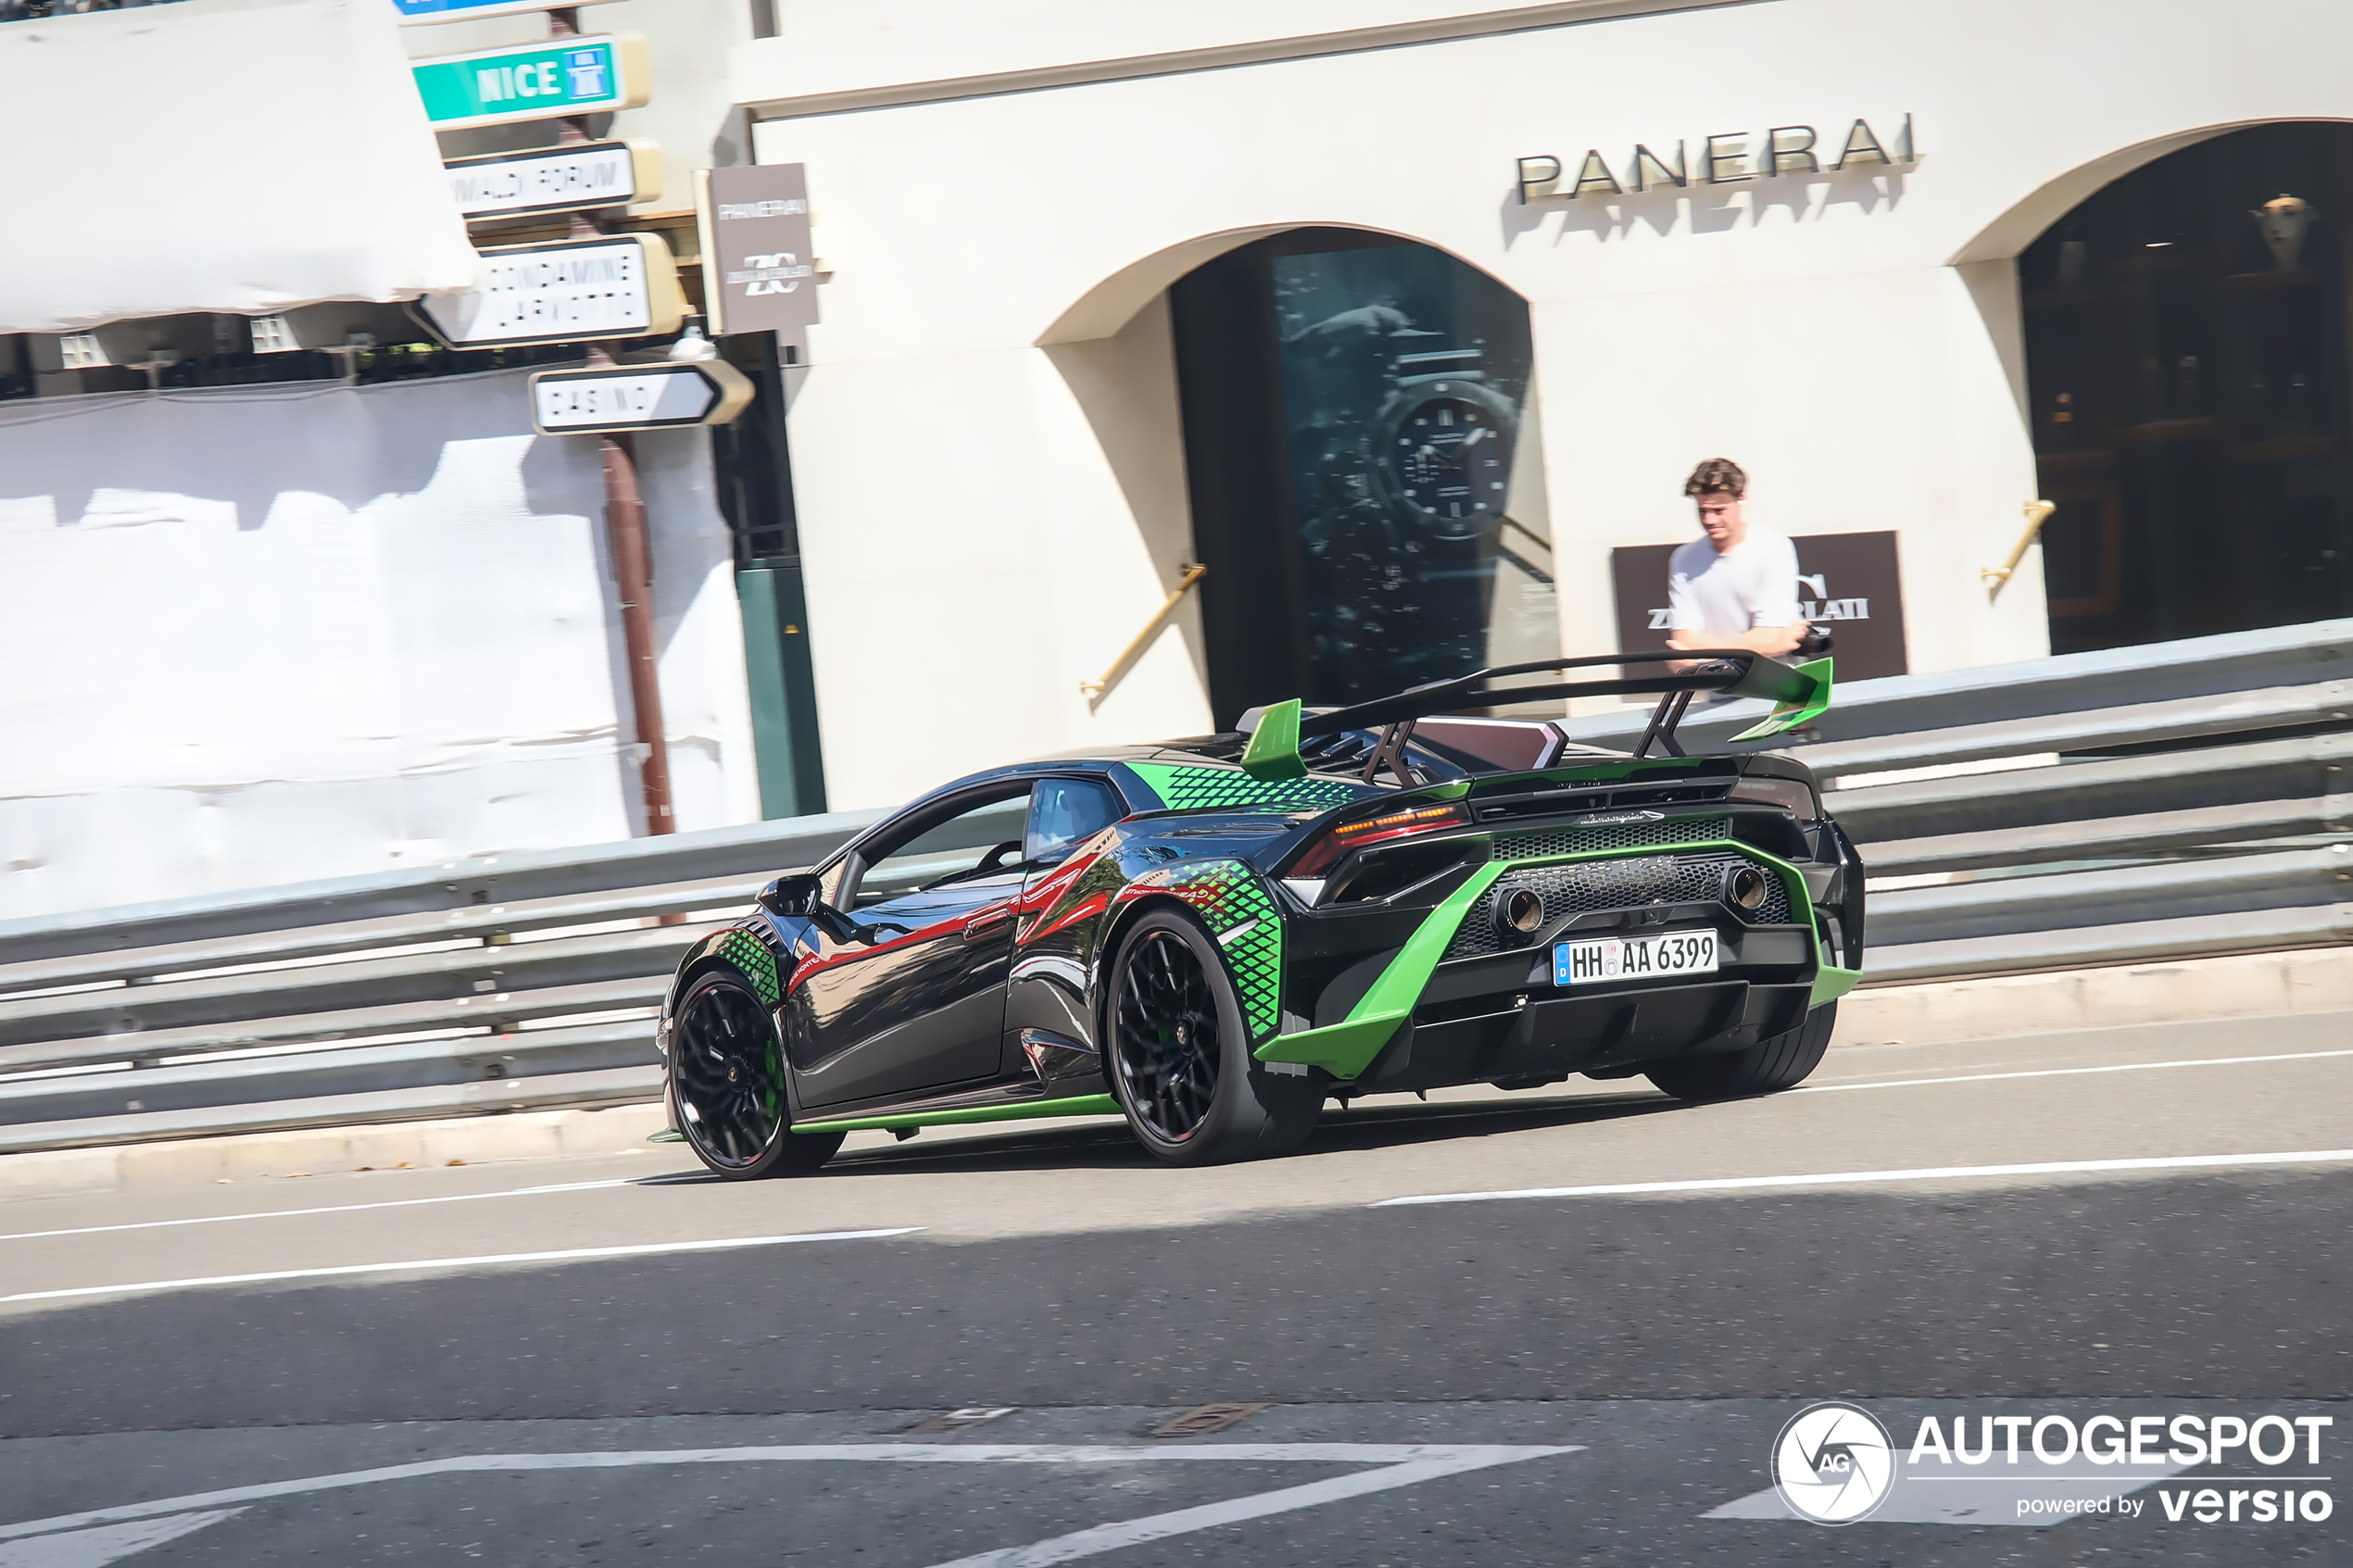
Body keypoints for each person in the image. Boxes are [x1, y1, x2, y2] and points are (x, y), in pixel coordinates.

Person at [1664, 458, 1809, 664]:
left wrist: (1703, 654)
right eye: (1702, 511)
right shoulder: (1684, 558)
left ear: (1741, 499)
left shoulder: (1774, 547)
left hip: (1778, 689)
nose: (1709, 520)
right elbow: (1685, 643)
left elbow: (1770, 635)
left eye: (1719, 511)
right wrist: (1765, 646)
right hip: (1721, 690)